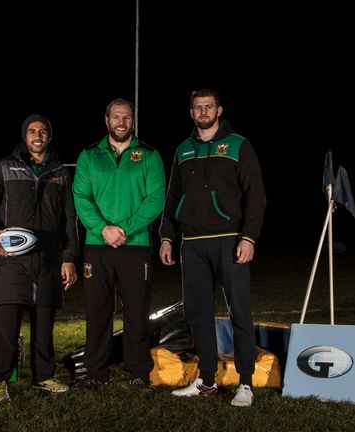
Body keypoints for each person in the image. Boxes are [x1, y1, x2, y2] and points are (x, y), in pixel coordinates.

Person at [159, 89, 267, 407]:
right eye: (197, 108)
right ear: (191, 113)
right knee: (198, 315)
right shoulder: (183, 149)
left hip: (230, 240)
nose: (203, 112)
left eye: (209, 107)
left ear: (219, 110)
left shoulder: (238, 145)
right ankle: (207, 381)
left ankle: (245, 384)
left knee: (239, 314)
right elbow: (172, 197)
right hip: (191, 244)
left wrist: (249, 237)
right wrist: (167, 236)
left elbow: (256, 195)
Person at [0, 114, 79, 404]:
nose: (38, 135)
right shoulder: (5, 167)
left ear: (49, 136)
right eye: (32, 131)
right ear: (25, 136)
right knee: (6, 325)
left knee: (44, 324)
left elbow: (69, 219)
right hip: (12, 259)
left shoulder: (59, 172)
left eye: (43, 131)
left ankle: (43, 377)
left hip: (47, 260)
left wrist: (68, 258)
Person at [71, 98, 165, 391]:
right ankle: (96, 373)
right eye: (116, 117)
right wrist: (103, 229)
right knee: (97, 311)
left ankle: (138, 372)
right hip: (97, 246)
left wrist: (124, 229)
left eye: (127, 117)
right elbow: (81, 198)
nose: (121, 122)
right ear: (107, 120)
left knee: (137, 312)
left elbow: (155, 199)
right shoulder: (89, 155)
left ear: (132, 121)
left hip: (135, 245)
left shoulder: (149, 155)